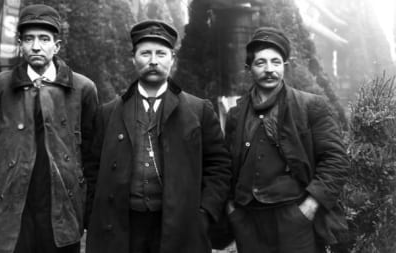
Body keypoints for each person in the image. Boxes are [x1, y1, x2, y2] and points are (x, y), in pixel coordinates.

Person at [84, 20, 232, 253]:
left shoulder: (198, 111)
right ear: (133, 58)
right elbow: (91, 170)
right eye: (146, 53)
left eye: (161, 54)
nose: (153, 60)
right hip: (122, 227)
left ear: (172, 59)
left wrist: (204, 212)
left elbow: (219, 167)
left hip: (179, 226)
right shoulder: (108, 113)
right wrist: (95, 215)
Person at [0, 4, 98, 253]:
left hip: (62, 197)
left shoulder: (83, 89)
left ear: (57, 45)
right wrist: (13, 166)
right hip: (15, 197)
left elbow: (90, 149)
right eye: (29, 39)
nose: (36, 46)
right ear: (20, 44)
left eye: (44, 39)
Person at [224, 26, 349, 253]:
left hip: (295, 216)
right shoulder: (236, 113)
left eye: (276, 62)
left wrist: (310, 206)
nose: (269, 69)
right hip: (248, 219)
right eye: (261, 63)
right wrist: (232, 209)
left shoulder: (311, 106)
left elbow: (336, 159)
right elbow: (225, 165)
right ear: (249, 68)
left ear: (285, 66)